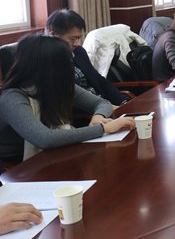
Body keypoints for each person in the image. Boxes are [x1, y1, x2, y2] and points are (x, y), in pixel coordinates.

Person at [0, 35, 135, 163]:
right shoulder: (12, 97)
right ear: (48, 67)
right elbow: (44, 138)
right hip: (22, 164)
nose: (70, 68)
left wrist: (99, 116)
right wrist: (104, 128)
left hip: (58, 152)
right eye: (66, 63)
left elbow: (101, 103)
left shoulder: (55, 84)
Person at [45, 9, 130, 106]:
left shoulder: (78, 52)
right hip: (86, 112)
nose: (76, 44)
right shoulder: (46, 62)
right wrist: (107, 108)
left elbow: (98, 80)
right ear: (53, 35)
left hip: (103, 104)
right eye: (72, 39)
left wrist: (123, 101)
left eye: (78, 38)